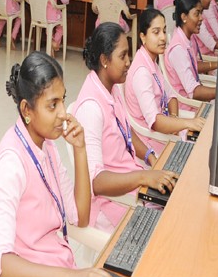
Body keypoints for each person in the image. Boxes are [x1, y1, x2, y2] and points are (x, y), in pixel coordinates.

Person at [0, 51, 121, 277]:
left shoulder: (45, 145)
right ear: (27, 109)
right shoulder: (11, 164)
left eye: (63, 99)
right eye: (53, 104)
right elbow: (0, 266)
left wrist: (80, 148)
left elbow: (80, 215)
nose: (63, 113)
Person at [73, 23, 177, 231]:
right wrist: (144, 176)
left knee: (179, 193)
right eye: (123, 56)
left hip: (132, 183)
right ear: (104, 60)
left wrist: (151, 158)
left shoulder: (111, 88)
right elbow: (96, 182)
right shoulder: (91, 108)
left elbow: (126, 131)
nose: (129, 62)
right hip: (112, 203)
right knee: (173, 223)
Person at [125, 9, 206, 155]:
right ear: (143, 37)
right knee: (202, 151)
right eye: (156, 32)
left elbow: (171, 96)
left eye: (164, 30)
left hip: (165, 132)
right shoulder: (142, 72)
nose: (163, 37)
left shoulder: (151, 62)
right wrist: (186, 123)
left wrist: (174, 121)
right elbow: (155, 121)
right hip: (151, 141)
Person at [164, 0, 217, 108]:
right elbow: (194, 92)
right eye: (197, 14)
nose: (201, 18)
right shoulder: (178, 49)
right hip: (187, 106)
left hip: (194, 100)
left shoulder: (185, 39)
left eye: (201, 13)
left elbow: (193, 67)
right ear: (184, 17)